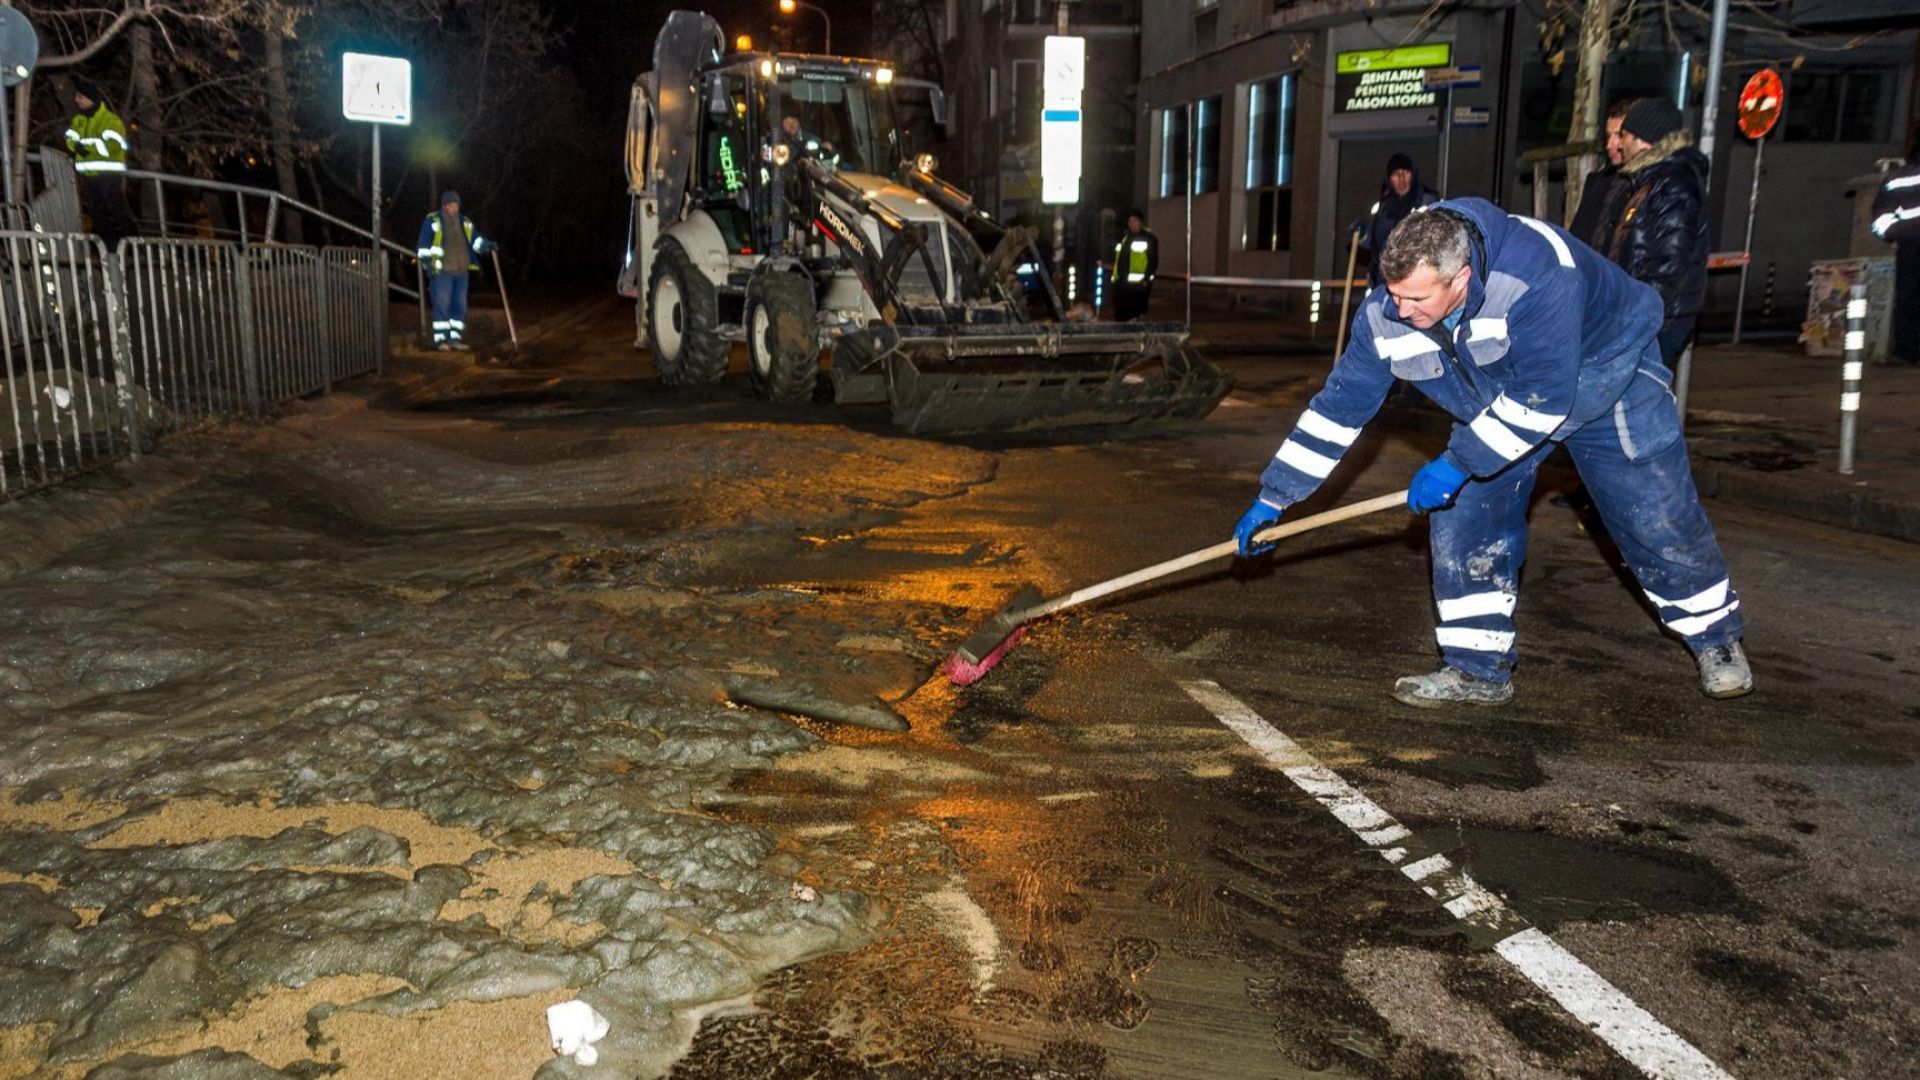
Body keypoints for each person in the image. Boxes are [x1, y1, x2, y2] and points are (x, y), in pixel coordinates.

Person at [1231, 200, 1752, 705]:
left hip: (1607, 371)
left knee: (1652, 512)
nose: (1400, 310)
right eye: (1393, 295)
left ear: (1460, 279)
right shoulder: (1386, 312)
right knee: (1464, 509)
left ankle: (1716, 638)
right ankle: (1476, 669)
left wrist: (1457, 463)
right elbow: (1338, 410)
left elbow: (1543, 401)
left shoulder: (1539, 275)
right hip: (1507, 395)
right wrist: (1275, 499)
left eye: (1416, 300)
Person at [1606, 98, 1709, 367]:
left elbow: (1670, 262)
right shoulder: (1650, 181)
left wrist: (1640, 316)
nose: (1619, 144)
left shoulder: (1673, 183)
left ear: (1643, 139)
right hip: (1649, 315)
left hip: (1659, 319)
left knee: (1637, 396)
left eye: (1624, 135)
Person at [64, 78, 136, 248]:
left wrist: (86, 148)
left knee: (116, 209)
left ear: (90, 98)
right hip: (89, 174)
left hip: (107, 174)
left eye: (80, 96)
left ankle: (134, 244)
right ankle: (111, 248)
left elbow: (115, 145)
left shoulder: (110, 120)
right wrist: (76, 146)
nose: (77, 100)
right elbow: (69, 137)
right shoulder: (79, 120)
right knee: (96, 212)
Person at [416, 191, 490, 351]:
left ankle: (455, 339)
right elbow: (423, 245)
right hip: (442, 271)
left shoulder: (464, 221)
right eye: (451, 205)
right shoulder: (433, 220)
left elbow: (475, 239)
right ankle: (441, 340)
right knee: (442, 304)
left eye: (456, 205)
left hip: (461, 271)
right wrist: (428, 264)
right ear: (444, 206)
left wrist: (485, 245)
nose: (454, 208)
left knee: (460, 306)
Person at [1871, 127, 1920, 365]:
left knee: (1909, 300)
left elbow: (1881, 221)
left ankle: (1907, 352)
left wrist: (1901, 232)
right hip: (1912, 246)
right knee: (1909, 300)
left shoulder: (1897, 179)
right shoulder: (1898, 179)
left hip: (1911, 247)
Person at [1356, 153, 1439, 288]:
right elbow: (1373, 242)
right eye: (1395, 174)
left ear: (1413, 175)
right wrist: (1362, 234)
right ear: (1389, 179)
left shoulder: (1427, 202)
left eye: (1405, 173)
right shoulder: (1384, 207)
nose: (1401, 179)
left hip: (1415, 278)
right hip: (1384, 281)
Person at [1568, 99, 1636, 253]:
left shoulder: (1645, 185)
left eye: (1619, 135)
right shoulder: (1598, 181)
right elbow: (1577, 237)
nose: (1610, 145)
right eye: (1608, 136)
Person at [1110, 210, 1158, 322]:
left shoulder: (1149, 238)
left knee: (1134, 315)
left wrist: (1146, 279)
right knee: (1121, 315)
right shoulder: (1126, 237)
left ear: (1141, 222)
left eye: (1135, 221)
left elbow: (1153, 261)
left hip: (1138, 286)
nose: (1132, 224)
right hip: (1122, 284)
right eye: (1130, 221)